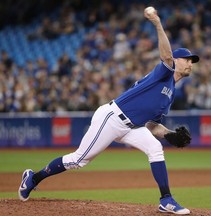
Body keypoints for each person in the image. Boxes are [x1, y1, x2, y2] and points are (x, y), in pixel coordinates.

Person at [18, 7, 199, 215]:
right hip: (112, 118)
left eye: (192, 61)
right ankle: (33, 178)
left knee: (156, 148)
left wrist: (169, 134)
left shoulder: (170, 94)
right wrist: (157, 23)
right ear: (176, 61)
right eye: (187, 59)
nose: (191, 63)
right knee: (78, 160)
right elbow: (166, 56)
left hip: (133, 126)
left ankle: (166, 199)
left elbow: (151, 124)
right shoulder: (164, 74)